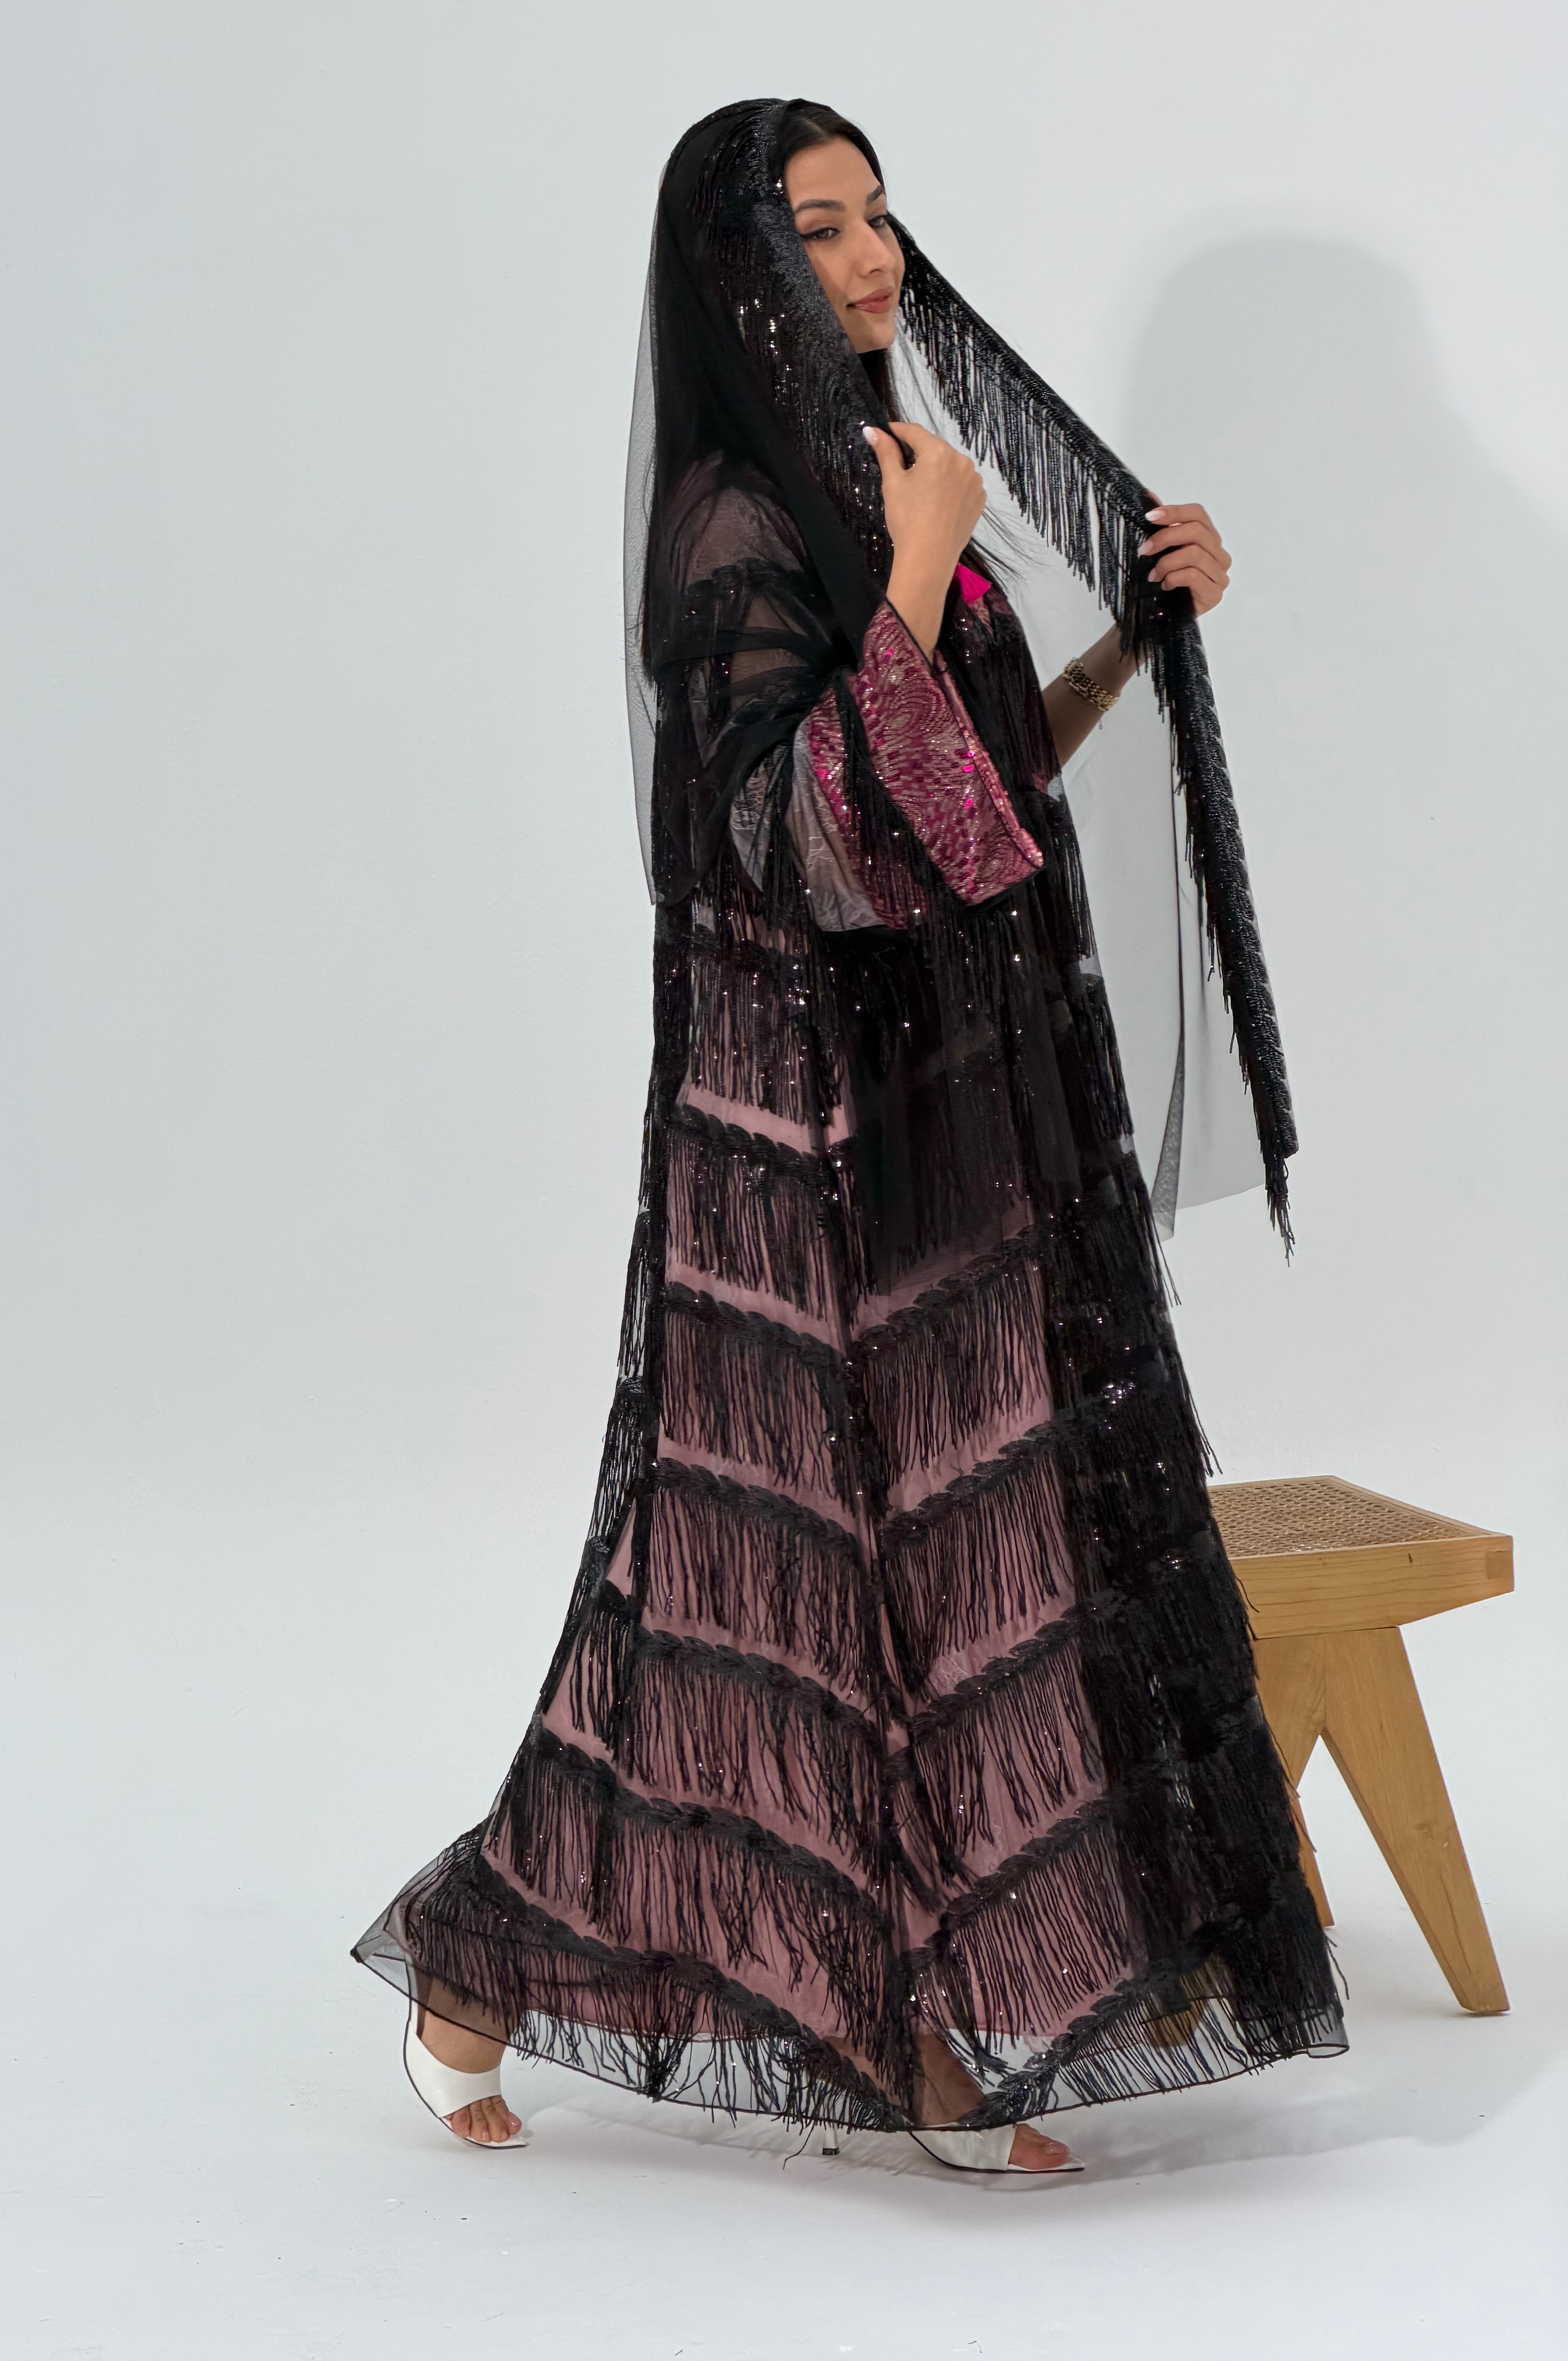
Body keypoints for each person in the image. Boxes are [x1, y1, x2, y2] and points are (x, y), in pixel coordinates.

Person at [354, 98, 1344, 2175]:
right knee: (765, 1599)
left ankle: (930, 2024)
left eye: (882, 215)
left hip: (947, 1108)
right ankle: (506, 1951)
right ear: (741, 270)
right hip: (797, 1145)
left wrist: (1130, 633)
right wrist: (908, 567)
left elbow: (966, 790)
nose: (876, 260)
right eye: (820, 227)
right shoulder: (733, 520)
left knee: (970, 1574)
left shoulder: (882, 478)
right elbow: (794, 835)